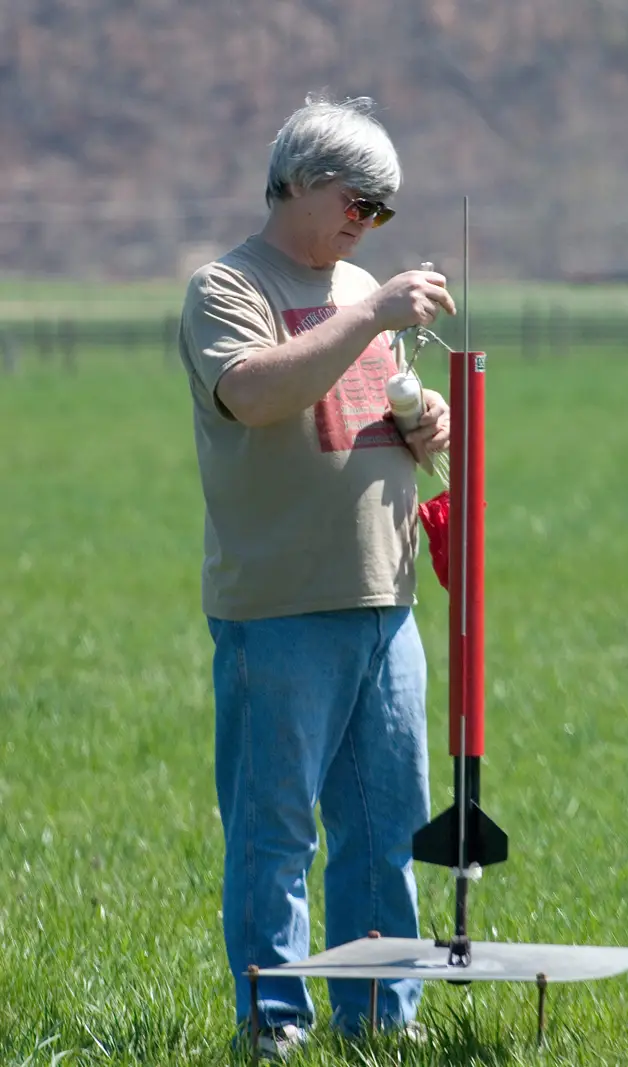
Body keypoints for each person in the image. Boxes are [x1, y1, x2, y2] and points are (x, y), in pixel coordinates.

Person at [178, 94, 455, 1059]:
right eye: (357, 198)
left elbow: (370, 412)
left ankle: (380, 1019)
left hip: (387, 599)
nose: (367, 221)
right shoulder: (226, 287)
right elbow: (255, 392)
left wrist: (424, 428)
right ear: (296, 178)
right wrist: (372, 311)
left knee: (385, 828)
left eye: (382, 209)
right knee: (275, 831)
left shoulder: (361, 283)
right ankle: (275, 1023)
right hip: (281, 605)